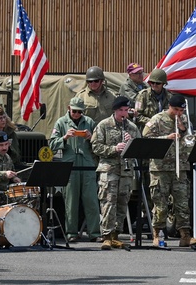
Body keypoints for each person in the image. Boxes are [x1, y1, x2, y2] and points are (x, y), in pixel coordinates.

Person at [143, 93, 196, 247]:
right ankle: (157, 234)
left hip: (179, 167)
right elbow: (146, 139)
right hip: (160, 168)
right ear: (170, 107)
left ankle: (185, 236)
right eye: (176, 110)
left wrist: (182, 128)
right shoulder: (157, 119)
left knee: (182, 203)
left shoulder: (184, 120)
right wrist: (165, 138)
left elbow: (191, 140)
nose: (178, 113)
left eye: (181, 110)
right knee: (160, 204)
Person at [48, 96, 100, 242]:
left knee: (91, 201)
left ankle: (95, 233)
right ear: (68, 109)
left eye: (79, 112)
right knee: (70, 201)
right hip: (70, 166)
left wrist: (91, 138)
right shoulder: (61, 122)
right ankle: (71, 233)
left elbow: (98, 145)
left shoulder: (89, 122)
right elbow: (52, 145)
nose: (77, 114)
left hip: (87, 165)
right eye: (74, 111)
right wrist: (64, 137)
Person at [91, 95, 139, 250]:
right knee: (108, 202)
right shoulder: (104, 125)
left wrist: (131, 141)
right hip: (109, 170)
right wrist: (114, 149)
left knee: (122, 202)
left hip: (125, 171)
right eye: (121, 110)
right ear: (115, 110)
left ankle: (116, 235)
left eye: (126, 110)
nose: (124, 114)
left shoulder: (131, 127)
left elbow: (140, 147)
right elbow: (96, 147)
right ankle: (106, 235)